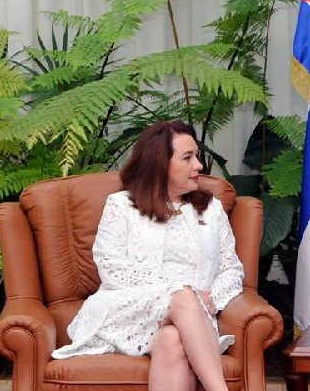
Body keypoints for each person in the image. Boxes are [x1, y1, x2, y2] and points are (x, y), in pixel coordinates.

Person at [52, 120, 244, 391]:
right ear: (160, 163)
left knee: (171, 339)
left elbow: (231, 268)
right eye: (188, 158)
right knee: (181, 296)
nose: (199, 166)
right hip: (128, 308)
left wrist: (212, 300)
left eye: (197, 156)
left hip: (194, 319)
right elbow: (111, 267)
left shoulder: (210, 209)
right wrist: (178, 292)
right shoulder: (121, 206)